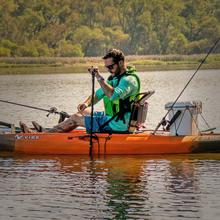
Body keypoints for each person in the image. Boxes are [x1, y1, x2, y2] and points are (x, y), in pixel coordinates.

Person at [20, 49, 141, 133]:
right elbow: (98, 95)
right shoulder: (115, 79)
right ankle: (49, 131)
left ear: (120, 62)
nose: (109, 70)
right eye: (106, 67)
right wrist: (86, 103)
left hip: (118, 125)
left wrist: (99, 77)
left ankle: (43, 136)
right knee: (83, 111)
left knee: (75, 118)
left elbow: (114, 96)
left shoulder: (128, 80)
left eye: (111, 66)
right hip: (113, 118)